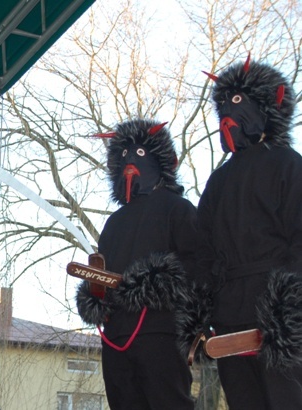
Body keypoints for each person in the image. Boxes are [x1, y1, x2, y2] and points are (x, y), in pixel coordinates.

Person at [193, 55, 302, 409]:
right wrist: (204, 315)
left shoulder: (288, 164)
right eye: (223, 104)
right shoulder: (218, 181)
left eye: (236, 101)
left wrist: (289, 307)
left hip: (277, 316)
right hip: (233, 320)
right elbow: (202, 254)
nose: (227, 112)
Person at [75, 119, 196, 409]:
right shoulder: (113, 223)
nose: (130, 161)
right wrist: (94, 296)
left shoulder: (178, 209)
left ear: (158, 159)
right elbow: (103, 272)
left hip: (162, 331)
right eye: (125, 155)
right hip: (116, 336)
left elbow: (197, 265)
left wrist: (157, 286)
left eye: (139, 154)